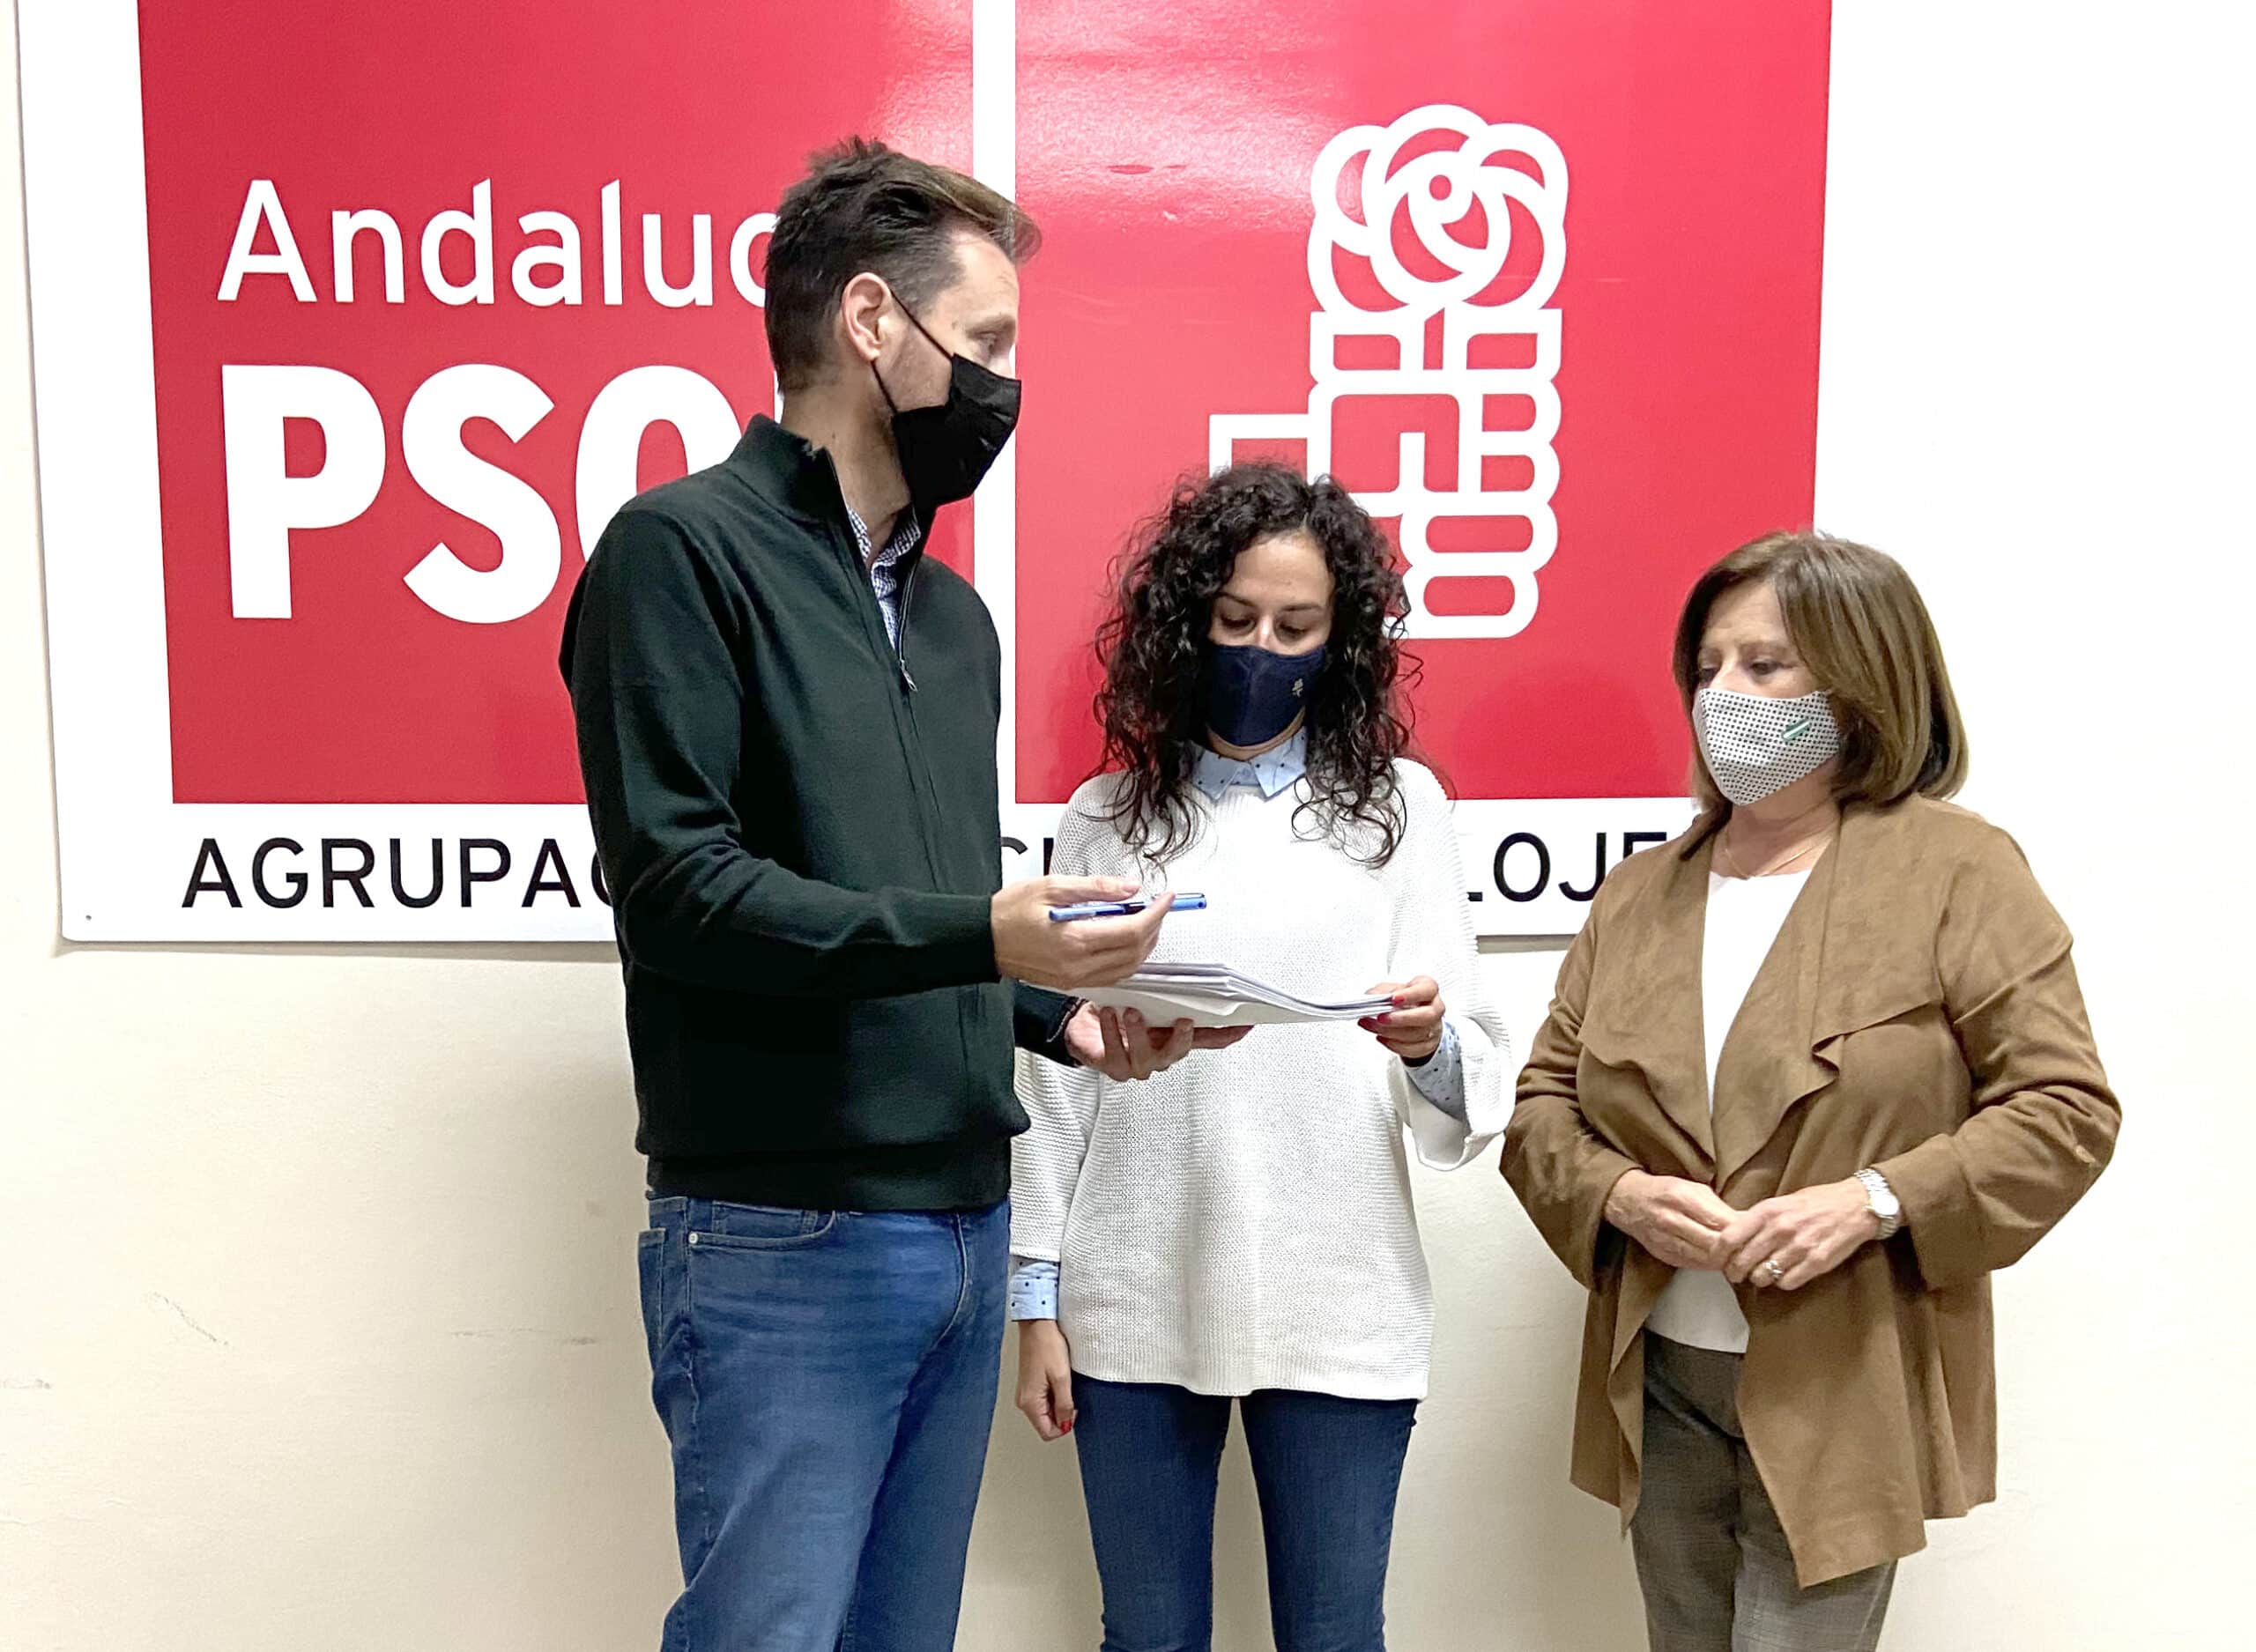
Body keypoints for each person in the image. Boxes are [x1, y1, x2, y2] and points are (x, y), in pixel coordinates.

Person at [560, 139, 1228, 1652]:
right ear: (872, 320)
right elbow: (682, 896)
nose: (1002, 383)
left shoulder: (953, 615)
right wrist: (981, 933)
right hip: (784, 1234)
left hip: (959, 1229)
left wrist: (1065, 1019)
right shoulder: (680, 554)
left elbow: (918, 908)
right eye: (983, 343)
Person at [1501, 530, 2120, 1651]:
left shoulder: (1957, 871)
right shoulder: (1641, 895)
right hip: (1665, 1367)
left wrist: (1875, 1200)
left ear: (1862, 678)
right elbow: (1543, 1106)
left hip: (1845, 1370)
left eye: (1765, 666)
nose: (1722, 695)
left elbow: (2065, 1111)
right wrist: (1618, 1196)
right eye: (1708, 668)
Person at [1010, 464, 1511, 1652]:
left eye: (1297, 626)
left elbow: (1472, 1054)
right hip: (1133, 1281)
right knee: (1146, 1634)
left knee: (1335, 1634)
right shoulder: (1104, 815)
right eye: (1235, 621)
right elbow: (1054, 1074)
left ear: (1342, 642)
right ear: (1189, 621)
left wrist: (1428, 1041)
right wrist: (1035, 1299)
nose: (1262, 649)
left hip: (1337, 1282)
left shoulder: (1403, 812)